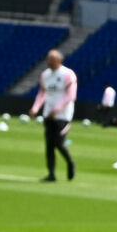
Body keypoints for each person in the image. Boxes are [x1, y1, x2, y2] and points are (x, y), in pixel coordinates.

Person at [30, 49, 77, 182]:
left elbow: (70, 96)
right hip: (48, 114)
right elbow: (42, 93)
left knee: (58, 143)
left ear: (59, 61)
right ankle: (51, 174)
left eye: (52, 59)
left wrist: (56, 110)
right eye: (48, 59)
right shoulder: (45, 75)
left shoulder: (68, 75)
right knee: (49, 144)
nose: (49, 62)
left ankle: (70, 162)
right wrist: (35, 108)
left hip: (63, 115)